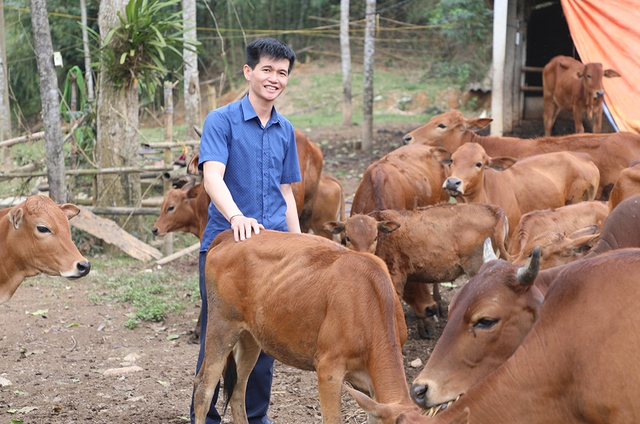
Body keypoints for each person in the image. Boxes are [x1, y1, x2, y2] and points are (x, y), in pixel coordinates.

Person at [190, 38, 300, 424]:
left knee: (267, 339)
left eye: (282, 73)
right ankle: (204, 418)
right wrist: (237, 216)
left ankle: (255, 417)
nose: (274, 78)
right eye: (267, 69)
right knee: (217, 339)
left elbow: (286, 192)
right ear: (248, 71)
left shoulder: (286, 130)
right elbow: (212, 177)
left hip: (273, 252)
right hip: (228, 250)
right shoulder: (221, 120)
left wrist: (300, 243)